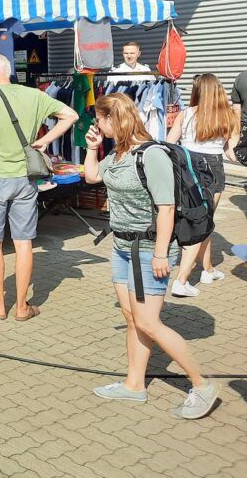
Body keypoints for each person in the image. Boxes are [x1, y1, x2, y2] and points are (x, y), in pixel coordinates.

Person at [83, 94, 218, 418]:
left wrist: (160, 255)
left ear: (114, 118)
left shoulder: (152, 155)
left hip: (149, 250)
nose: (96, 125)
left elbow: (167, 208)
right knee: (132, 318)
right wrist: (91, 148)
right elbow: (91, 177)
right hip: (122, 247)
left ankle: (202, 385)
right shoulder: (118, 152)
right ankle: (134, 385)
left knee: (147, 321)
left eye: (99, 119)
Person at [0, 54, 78, 321]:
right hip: (26, 178)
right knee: (24, 242)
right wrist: (44, 141)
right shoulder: (34, 95)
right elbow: (71, 115)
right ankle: (22, 307)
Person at [166, 74, 239, 296]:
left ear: (197, 91)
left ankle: (208, 270)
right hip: (212, 169)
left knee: (202, 221)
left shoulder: (185, 114)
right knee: (201, 223)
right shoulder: (228, 116)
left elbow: (169, 144)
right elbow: (231, 152)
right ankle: (181, 280)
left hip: (186, 166)